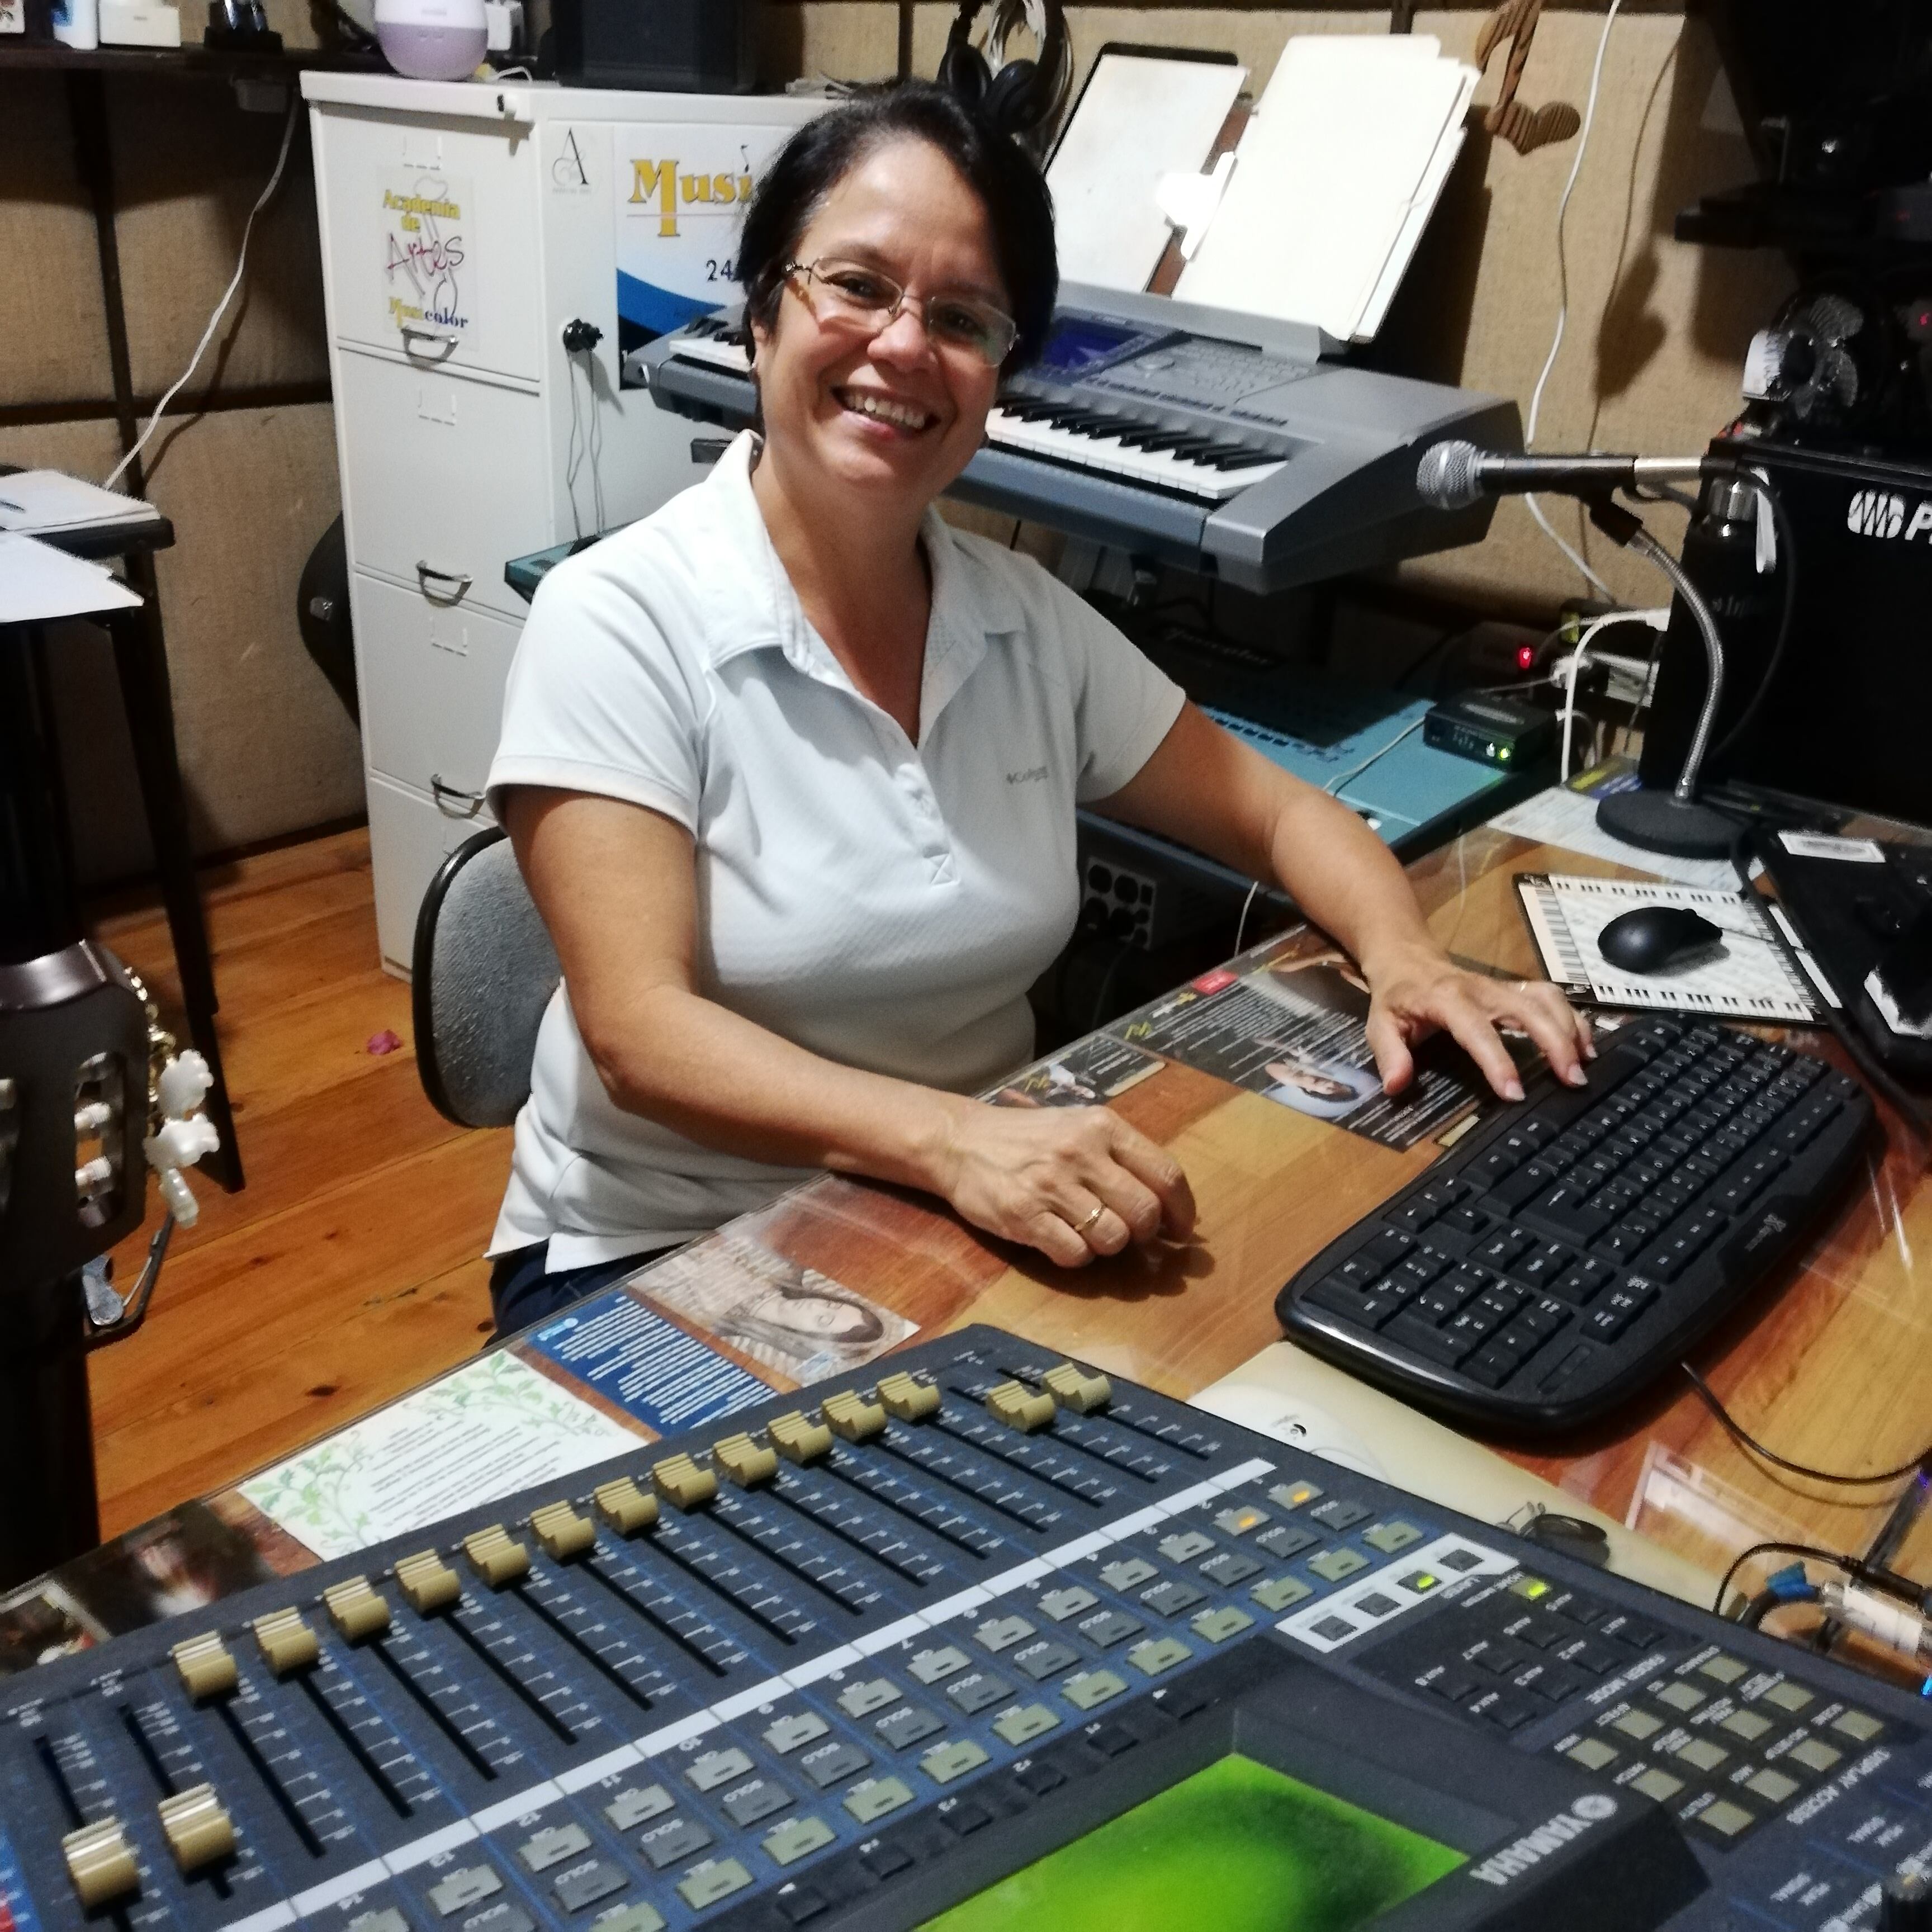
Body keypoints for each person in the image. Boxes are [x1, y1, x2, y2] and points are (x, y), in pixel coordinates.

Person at [483, 82, 1591, 1333]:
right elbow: (639, 1035)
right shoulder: (618, 616)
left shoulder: (1020, 618)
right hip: (662, 1243)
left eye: (962, 318)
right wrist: (954, 1140)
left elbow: (1283, 816)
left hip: (949, 1209)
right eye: (856, 286)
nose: (905, 346)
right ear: (760, 314)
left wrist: (1405, 960)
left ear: (998, 375)